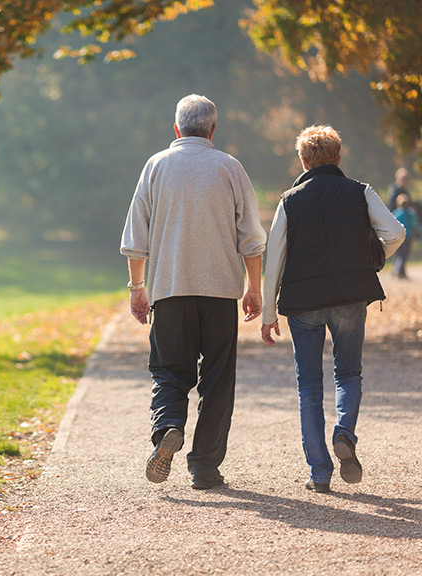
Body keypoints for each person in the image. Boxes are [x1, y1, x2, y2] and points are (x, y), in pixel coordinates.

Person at [120, 94, 267, 490]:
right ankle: (204, 467)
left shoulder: (156, 166)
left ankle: (168, 427)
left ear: (176, 128)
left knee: (169, 369)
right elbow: (251, 239)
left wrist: (138, 287)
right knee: (218, 380)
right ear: (212, 129)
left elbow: (137, 237)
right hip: (220, 293)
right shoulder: (230, 167)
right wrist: (254, 288)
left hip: (169, 290)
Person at [261, 125, 406, 493]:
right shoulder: (360, 192)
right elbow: (396, 232)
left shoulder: (289, 200)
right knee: (349, 373)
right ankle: (345, 433)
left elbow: (274, 257)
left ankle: (320, 474)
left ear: (303, 160)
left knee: (309, 386)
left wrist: (267, 312)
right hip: (350, 297)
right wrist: (372, 257)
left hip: (303, 303)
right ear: (338, 158)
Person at [392, 194, 420, 279]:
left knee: (400, 254)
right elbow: (415, 225)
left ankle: (399, 271)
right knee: (404, 255)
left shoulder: (396, 213)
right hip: (407, 237)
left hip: (399, 237)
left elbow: (392, 224)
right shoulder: (410, 213)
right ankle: (398, 270)